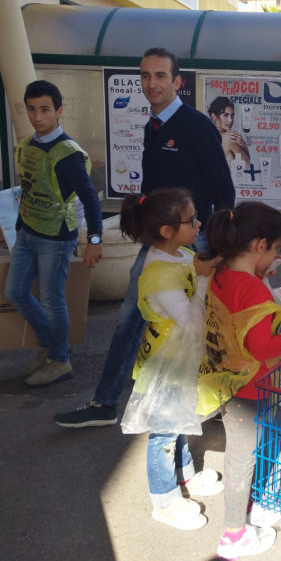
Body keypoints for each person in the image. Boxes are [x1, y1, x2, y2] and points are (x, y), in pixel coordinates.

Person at [54, 48, 235, 428]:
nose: (151, 83)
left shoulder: (196, 126)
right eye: (145, 76)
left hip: (194, 242)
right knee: (133, 321)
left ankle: (211, 401)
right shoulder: (152, 127)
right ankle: (106, 402)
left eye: (160, 76)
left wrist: (214, 244)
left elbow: (224, 189)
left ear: (177, 82)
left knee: (203, 322)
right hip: (158, 243)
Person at [201, 201, 281, 561]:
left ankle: (247, 508)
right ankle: (234, 534)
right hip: (248, 387)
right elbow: (261, 346)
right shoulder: (251, 289)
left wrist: (258, 280)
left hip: (223, 379)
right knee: (242, 458)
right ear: (258, 246)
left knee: (243, 451)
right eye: (275, 249)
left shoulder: (223, 274)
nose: (274, 257)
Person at [115, 188, 223, 530]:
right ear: (167, 230)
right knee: (164, 431)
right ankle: (163, 500)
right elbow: (191, 320)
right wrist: (204, 281)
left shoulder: (177, 254)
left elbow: (193, 267)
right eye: (191, 221)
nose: (198, 224)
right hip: (167, 362)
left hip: (181, 358)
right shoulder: (160, 272)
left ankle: (184, 476)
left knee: (179, 419)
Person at [5, 80, 103, 387]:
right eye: (32, 109)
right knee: (15, 292)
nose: (38, 117)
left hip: (57, 237)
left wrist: (95, 241)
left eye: (45, 110)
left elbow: (90, 198)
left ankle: (60, 360)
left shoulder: (68, 153)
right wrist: (19, 230)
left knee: (51, 298)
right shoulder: (26, 146)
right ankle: (51, 346)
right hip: (28, 233)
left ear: (58, 111)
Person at [208, 96, 251, 169]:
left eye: (232, 115)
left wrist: (243, 145)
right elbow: (248, 167)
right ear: (213, 116)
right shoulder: (228, 138)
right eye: (225, 115)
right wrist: (243, 145)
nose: (230, 120)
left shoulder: (207, 135)